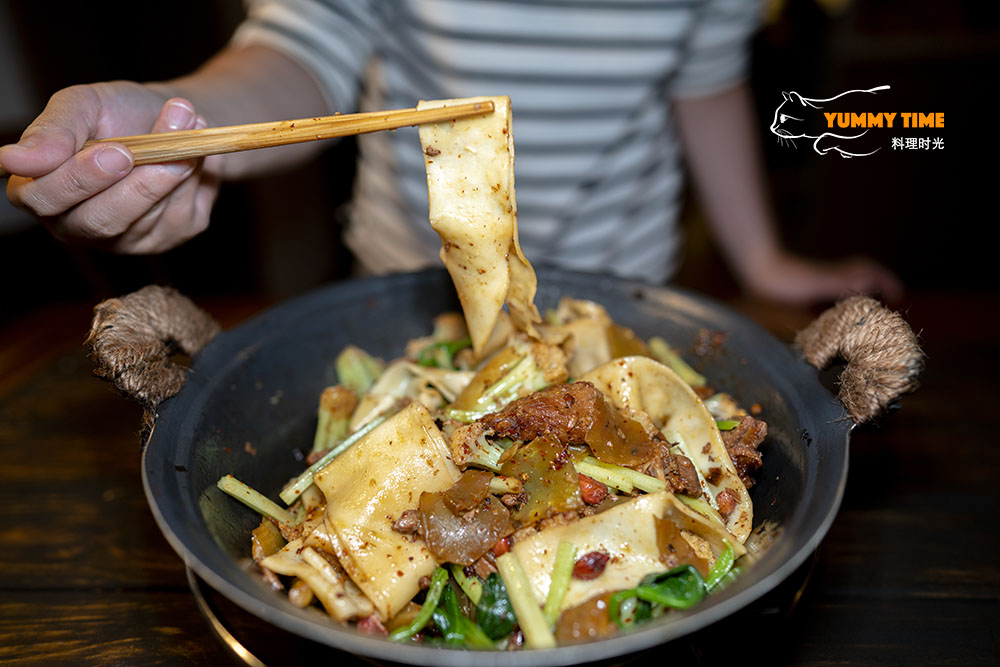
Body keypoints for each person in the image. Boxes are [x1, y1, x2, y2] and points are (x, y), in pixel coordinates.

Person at [0, 1, 900, 305]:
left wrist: (762, 256)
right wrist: (177, 121)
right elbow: (302, 49)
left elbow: (704, 82)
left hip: (626, 280)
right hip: (406, 284)